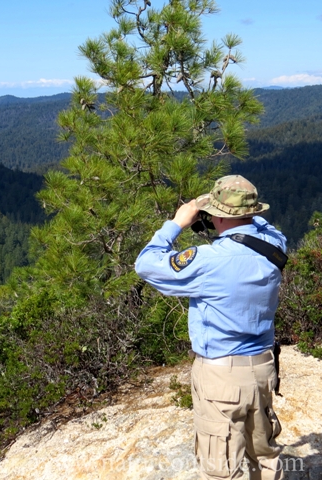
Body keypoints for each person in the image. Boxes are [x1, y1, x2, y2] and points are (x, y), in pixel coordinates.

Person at [135, 175, 286, 480]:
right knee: (265, 455)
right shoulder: (274, 244)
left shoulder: (207, 261)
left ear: (216, 216)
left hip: (221, 376)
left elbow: (146, 264)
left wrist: (177, 223)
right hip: (263, 369)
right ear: (253, 211)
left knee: (222, 469)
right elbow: (259, 226)